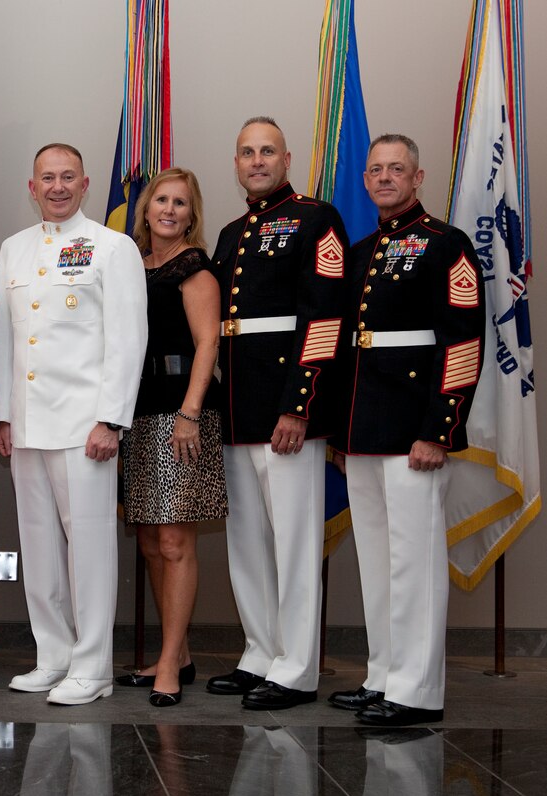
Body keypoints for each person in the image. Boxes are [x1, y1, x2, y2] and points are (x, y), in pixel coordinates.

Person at [328, 135, 484, 726]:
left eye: (397, 169)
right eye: (376, 170)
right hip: (364, 429)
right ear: (365, 180)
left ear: (419, 177)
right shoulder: (363, 249)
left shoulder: (448, 245)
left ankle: (417, 691)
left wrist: (438, 429)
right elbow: (349, 349)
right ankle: (383, 675)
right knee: (377, 559)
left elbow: (463, 344)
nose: (385, 177)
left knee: (414, 560)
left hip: (415, 428)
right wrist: (343, 433)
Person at [0, 143, 148, 706]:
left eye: (67, 178)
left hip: (86, 425)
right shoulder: (13, 249)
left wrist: (111, 419)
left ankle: (93, 665)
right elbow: (5, 338)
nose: (56, 187)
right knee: (37, 545)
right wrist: (2, 415)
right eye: (46, 179)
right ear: (31, 187)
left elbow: (128, 341)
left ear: (84, 184)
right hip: (28, 424)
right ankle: (53, 654)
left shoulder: (114, 248)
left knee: (88, 546)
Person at [207, 117, 348, 710]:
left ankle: (297, 668)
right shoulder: (232, 231)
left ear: (286, 158)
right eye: (246, 152)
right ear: (235, 162)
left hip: (288, 411)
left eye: (267, 151)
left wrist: (299, 406)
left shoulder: (317, 219)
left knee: (292, 541)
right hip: (239, 408)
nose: (257, 160)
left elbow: (325, 319)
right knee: (247, 540)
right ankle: (261, 652)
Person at [113, 168, 227, 707]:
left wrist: (190, 412)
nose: (169, 209)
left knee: (176, 541)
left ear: (191, 214)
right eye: (161, 199)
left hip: (181, 414)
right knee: (150, 542)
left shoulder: (195, 267)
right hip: (137, 412)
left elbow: (208, 344)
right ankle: (174, 653)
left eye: (180, 202)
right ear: (147, 206)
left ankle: (170, 665)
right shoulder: (132, 263)